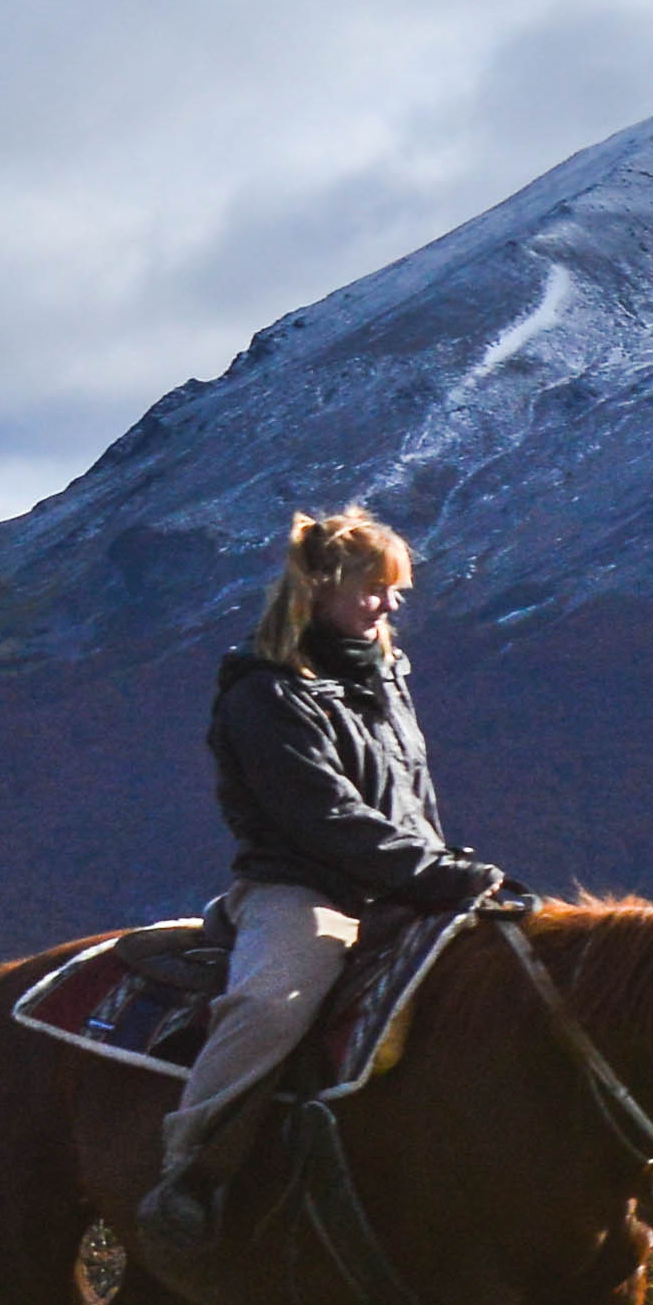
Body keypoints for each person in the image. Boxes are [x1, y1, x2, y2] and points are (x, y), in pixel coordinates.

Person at [142, 508, 505, 1253]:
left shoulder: (384, 677)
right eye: (374, 589)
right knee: (274, 1003)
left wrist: (447, 872)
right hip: (304, 890)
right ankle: (189, 1172)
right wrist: (439, 876)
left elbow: (410, 801)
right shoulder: (266, 693)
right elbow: (325, 818)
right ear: (320, 591)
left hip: (405, 882)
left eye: (394, 590)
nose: (389, 605)